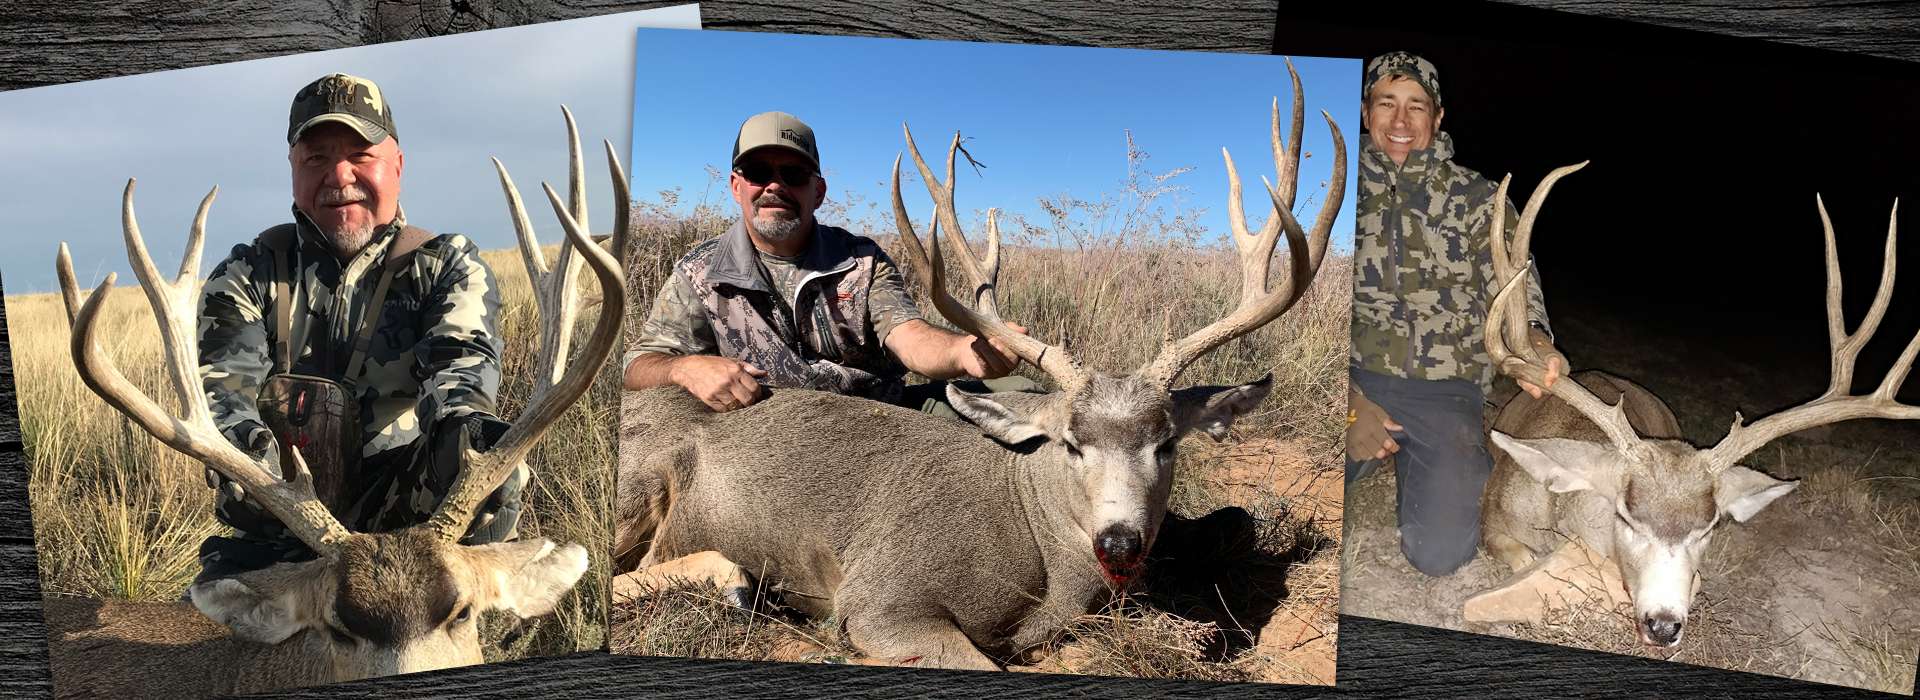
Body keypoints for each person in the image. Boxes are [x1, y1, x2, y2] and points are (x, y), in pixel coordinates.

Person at [194, 73, 521, 583]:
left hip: (405, 507)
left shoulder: (445, 266)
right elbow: (226, 398)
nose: (339, 175)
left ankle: (455, 614)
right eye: (317, 158)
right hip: (285, 507)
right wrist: (253, 460)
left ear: (397, 164)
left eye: (360, 155)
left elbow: (459, 381)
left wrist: (475, 437)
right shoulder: (247, 275)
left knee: (492, 466)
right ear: (293, 169)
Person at [623, 111, 1040, 416]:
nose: (774, 186)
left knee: (1026, 397)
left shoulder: (862, 260)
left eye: (793, 174)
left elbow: (908, 335)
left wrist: (965, 351)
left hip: (881, 422)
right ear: (736, 186)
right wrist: (686, 368)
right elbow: (637, 366)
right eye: (757, 172)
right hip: (758, 439)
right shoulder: (700, 273)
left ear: (818, 192)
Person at [1348, 52, 1569, 576]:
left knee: (1441, 554)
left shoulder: (1479, 199)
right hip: (1348, 377)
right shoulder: (1333, 185)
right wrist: (1349, 405)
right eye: (1387, 104)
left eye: (1416, 107)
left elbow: (1514, 281)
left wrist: (1534, 339)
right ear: (1364, 112)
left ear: (1437, 117)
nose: (1401, 122)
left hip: (1445, 390)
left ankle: (1427, 461)